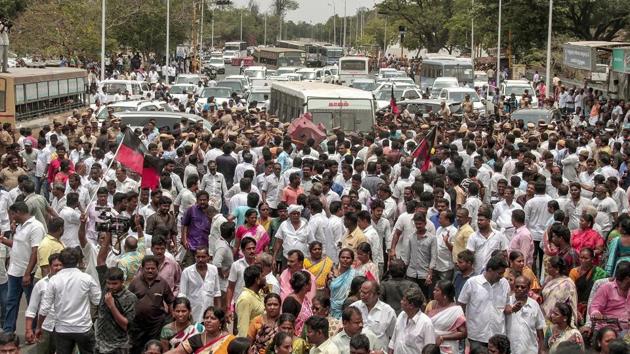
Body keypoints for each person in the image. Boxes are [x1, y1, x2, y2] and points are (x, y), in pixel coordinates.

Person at [39, 248, 101, 354]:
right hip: (83, 328)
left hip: (62, 330)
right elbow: (97, 300)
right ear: (78, 261)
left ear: (62, 262)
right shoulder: (86, 278)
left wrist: (38, 327)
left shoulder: (54, 280)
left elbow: (45, 308)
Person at [1, 201, 45, 334]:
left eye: (12, 214)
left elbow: (35, 251)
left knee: (32, 304)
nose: (11, 217)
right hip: (14, 271)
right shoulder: (20, 226)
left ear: (18, 213)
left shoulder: (35, 227)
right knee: (11, 303)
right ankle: (9, 331)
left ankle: (33, 331)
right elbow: (17, 245)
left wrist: (27, 273)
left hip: (27, 273)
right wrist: (3, 240)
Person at [457, 255, 510, 352]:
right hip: (477, 336)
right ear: (490, 270)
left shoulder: (504, 283)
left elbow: (506, 306)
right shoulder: (472, 283)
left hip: (497, 335)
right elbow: (461, 305)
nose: (501, 276)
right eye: (499, 273)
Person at [129, 255, 176, 354]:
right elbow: (127, 301)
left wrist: (172, 320)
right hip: (137, 325)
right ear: (142, 269)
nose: (150, 270)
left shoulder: (162, 283)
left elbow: (171, 301)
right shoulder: (135, 282)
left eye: (153, 268)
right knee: (136, 349)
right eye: (147, 268)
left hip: (156, 325)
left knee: (153, 350)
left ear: (157, 268)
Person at [24, 253, 62, 354]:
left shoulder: (69, 283)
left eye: (60, 265)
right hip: (45, 328)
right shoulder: (40, 285)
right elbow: (32, 309)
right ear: (50, 266)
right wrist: (28, 330)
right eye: (55, 265)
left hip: (64, 328)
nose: (58, 268)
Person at [94, 267, 138, 354]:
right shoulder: (105, 289)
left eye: (114, 284)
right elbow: (100, 261)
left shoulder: (129, 297)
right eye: (108, 283)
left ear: (122, 282)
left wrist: (112, 306)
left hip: (118, 346)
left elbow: (125, 325)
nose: (111, 286)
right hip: (100, 344)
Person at [351, 280, 397, 349]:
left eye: (366, 293)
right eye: (361, 292)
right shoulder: (354, 308)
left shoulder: (388, 311)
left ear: (377, 294)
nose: (362, 295)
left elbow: (394, 337)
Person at [179, 247, 221, 323]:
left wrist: (219, 313)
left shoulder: (213, 269)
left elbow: (217, 292)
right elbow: (182, 294)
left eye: (203, 257)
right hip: (193, 313)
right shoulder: (187, 272)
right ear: (195, 257)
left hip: (209, 314)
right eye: (198, 257)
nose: (200, 259)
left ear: (208, 257)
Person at [168, 307, 235, 354]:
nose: (208, 320)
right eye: (206, 318)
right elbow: (177, 352)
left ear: (220, 322)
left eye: (213, 318)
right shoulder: (196, 339)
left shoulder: (230, 340)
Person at [505, 276, 545, 354]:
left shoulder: (534, 304)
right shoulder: (507, 302)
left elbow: (540, 330)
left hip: (530, 350)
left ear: (528, 288)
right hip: (511, 350)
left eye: (523, 287)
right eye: (517, 286)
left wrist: (541, 349)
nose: (519, 289)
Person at [389, 286, 436, 353]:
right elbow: (393, 340)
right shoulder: (401, 315)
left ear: (411, 305)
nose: (401, 302)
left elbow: (430, 350)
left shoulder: (426, 323)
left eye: (404, 300)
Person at [424, 280, 466, 354]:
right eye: (434, 290)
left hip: (448, 348)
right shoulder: (431, 305)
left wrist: (443, 337)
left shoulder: (456, 310)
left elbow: (463, 333)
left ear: (445, 295)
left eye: (437, 290)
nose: (434, 292)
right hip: (430, 346)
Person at [589, 261, 630, 334]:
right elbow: (594, 307)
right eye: (618, 281)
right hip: (609, 329)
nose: (619, 283)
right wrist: (596, 313)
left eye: (622, 281)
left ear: (628, 279)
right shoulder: (606, 288)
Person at [568, 247, 607, 319]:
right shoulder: (574, 272)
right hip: (576, 304)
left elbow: (601, 292)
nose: (583, 260)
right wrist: (575, 309)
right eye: (581, 257)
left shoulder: (600, 273)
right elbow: (571, 292)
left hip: (593, 304)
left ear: (592, 259)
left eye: (586, 258)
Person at [541, 256, 578, 324]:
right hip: (544, 316)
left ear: (557, 269)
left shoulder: (567, 283)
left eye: (549, 267)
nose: (547, 269)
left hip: (559, 319)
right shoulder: (548, 279)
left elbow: (570, 302)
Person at [235, 264, 265, 338]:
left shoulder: (259, 294)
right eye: (262, 276)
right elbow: (243, 328)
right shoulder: (245, 299)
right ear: (257, 280)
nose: (265, 279)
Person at [281, 270, 313, 336]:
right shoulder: (290, 302)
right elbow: (287, 324)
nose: (311, 284)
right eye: (310, 282)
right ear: (305, 285)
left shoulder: (305, 299)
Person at [329, 248, 356, 318]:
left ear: (352, 260)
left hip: (347, 308)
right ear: (339, 258)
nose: (345, 259)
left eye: (348, 258)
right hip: (332, 308)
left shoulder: (355, 274)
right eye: (343, 257)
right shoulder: (331, 273)